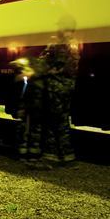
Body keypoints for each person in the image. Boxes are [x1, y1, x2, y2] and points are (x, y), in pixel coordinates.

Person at [39, 24, 80, 163]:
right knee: (63, 122)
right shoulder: (74, 45)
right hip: (67, 88)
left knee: (51, 121)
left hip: (55, 87)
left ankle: (51, 154)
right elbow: (72, 67)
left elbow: (42, 61)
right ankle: (67, 154)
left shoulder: (56, 44)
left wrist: (49, 70)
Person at [10, 56, 46, 161]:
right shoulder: (30, 77)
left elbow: (19, 96)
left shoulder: (20, 78)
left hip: (27, 109)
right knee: (34, 131)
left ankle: (23, 154)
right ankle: (32, 155)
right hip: (33, 109)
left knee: (24, 131)